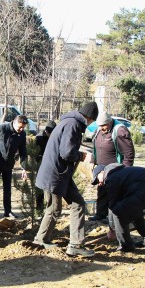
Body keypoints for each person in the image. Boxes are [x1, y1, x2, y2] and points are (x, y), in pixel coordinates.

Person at [33, 102, 99, 257]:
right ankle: (70, 244)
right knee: (55, 209)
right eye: (92, 121)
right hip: (56, 174)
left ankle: (43, 239)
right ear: (89, 118)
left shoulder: (68, 122)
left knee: (77, 204)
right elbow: (66, 152)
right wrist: (81, 156)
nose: (91, 124)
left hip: (59, 174)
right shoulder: (73, 125)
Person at [92, 164, 145, 252]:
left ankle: (126, 246)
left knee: (118, 213)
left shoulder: (111, 178)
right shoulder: (123, 173)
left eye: (97, 179)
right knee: (131, 212)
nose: (99, 184)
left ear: (102, 172)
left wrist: (112, 230)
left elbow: (112, 207)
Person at [90, 112, 135, 222]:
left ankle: (113, 219)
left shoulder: (120, 131)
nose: (101, 128)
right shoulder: (98, 130)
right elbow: (95, 147)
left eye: (103, 126)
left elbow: (129, 153)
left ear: (110, 122)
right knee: (101, 190)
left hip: (115, 169)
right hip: (102, 167)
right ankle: (101, 214)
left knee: (114, 194)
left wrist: (125, 171)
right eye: (99, 126)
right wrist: (93, 160)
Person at [0, 114, 28, 219]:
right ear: (14, 122)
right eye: (20, 127)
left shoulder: (22, 134)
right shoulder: (1, 128)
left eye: (23, 127)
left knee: (7, 188)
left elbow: (23, 152)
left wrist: (24, 168)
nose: (21, 129)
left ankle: (8, 211)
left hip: (8, 164)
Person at [34, 120, 56, 212]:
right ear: (46, 131)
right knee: (39, 187)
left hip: (52, 165)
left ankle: (50, 206)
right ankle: (39, 207)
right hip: (40, 164)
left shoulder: (56, 136)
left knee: (50, 187)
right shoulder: (39, 138)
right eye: (49, 133)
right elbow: (34, 153)